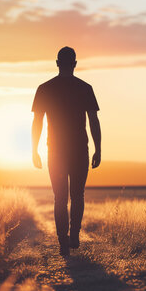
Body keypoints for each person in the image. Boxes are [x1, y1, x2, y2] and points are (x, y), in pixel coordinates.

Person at [31, 46, 102, 257]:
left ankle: (63, 241)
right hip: (80, 149)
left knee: (59, 198)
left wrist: (34, 150)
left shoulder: (44, 88)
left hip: (55, 151)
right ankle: (74, 236)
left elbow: (37, 123)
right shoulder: (85, 88)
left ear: (57, 63)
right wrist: (98, 149)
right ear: (75, 64)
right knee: (77, 195)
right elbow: (94, 121)